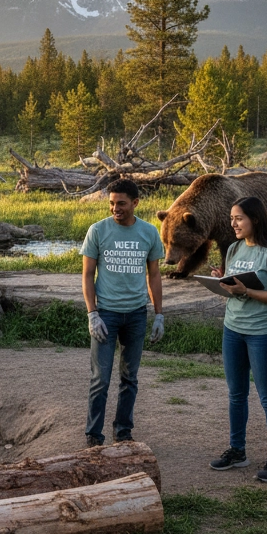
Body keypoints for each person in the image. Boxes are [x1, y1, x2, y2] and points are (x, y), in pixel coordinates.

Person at [208, 196, 267, 482]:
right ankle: (237, 450)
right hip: (233, 329)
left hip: (263, 333)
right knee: (236, 394)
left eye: (239, 218)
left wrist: (247, 291)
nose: (233, 224)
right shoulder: (233, 248)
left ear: (255, 219)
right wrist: (223, 279)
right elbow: (236, 286)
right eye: (231, 218)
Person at [81, 178, 165, 447]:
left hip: (137, 315)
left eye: (121, 203)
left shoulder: (149, 233)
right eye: (111, 203)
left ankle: (123, 431)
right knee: (100, 379)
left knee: (129, 378)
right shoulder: (97, 231)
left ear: (135, 203)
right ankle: (94, 436)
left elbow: (154, 275)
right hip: (106, 314)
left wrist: (159, 314)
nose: (115, 208)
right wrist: (92, 314)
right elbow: (87, 275)